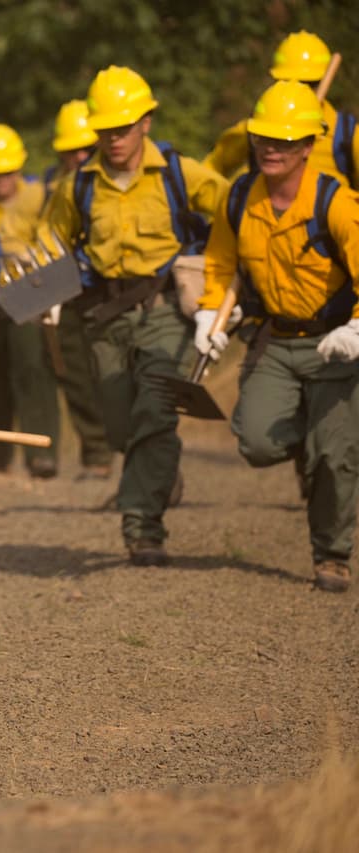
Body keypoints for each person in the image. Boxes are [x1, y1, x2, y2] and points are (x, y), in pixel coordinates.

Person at [43, 66, 228, 565]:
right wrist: (48, 293)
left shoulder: (179, 172)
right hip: (105, 317)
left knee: (156, 409)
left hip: (167, 309)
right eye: (104, 129)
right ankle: (158, 469)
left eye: (123, 127)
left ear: (146, 121)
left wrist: (220, 295)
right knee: (121, 425)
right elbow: (52, 242)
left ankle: (142, 526)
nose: (114, 138)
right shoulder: (77, 186)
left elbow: (239, 211)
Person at [200, 81, 359, 592]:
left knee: (334, 456)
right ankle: (311, 438)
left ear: (308, 147)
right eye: (264, 139)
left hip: (336, 343)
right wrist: (209, 317)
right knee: (257, 442)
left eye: (285, 142)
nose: (271, 150)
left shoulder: (337, 203)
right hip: (275, 339)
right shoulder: (239, 197)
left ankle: (332, 554)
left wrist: (358, 327)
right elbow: (221, 263)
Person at [0, 123, 62, 478]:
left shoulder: (40, 194)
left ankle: (42, 451)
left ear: (20, 167)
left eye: (7, 171)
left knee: (34, 372)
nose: (1, 179)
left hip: (31, 297)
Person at [43, 101, 113, 480]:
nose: (79, 156)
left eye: (85, 148)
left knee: (115, 373)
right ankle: (96, 452)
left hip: (112, 292)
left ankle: (132, 451)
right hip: (66, 294)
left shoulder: (109, 183)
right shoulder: (54, 187)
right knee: (74, 374)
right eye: (71, 150)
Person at [204, 31, 357, 188]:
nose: (296, 88)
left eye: (307, 83)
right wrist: (225, 204)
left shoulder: (347, 135)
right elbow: (212, 167)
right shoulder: (256, 129)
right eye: (287, 81)